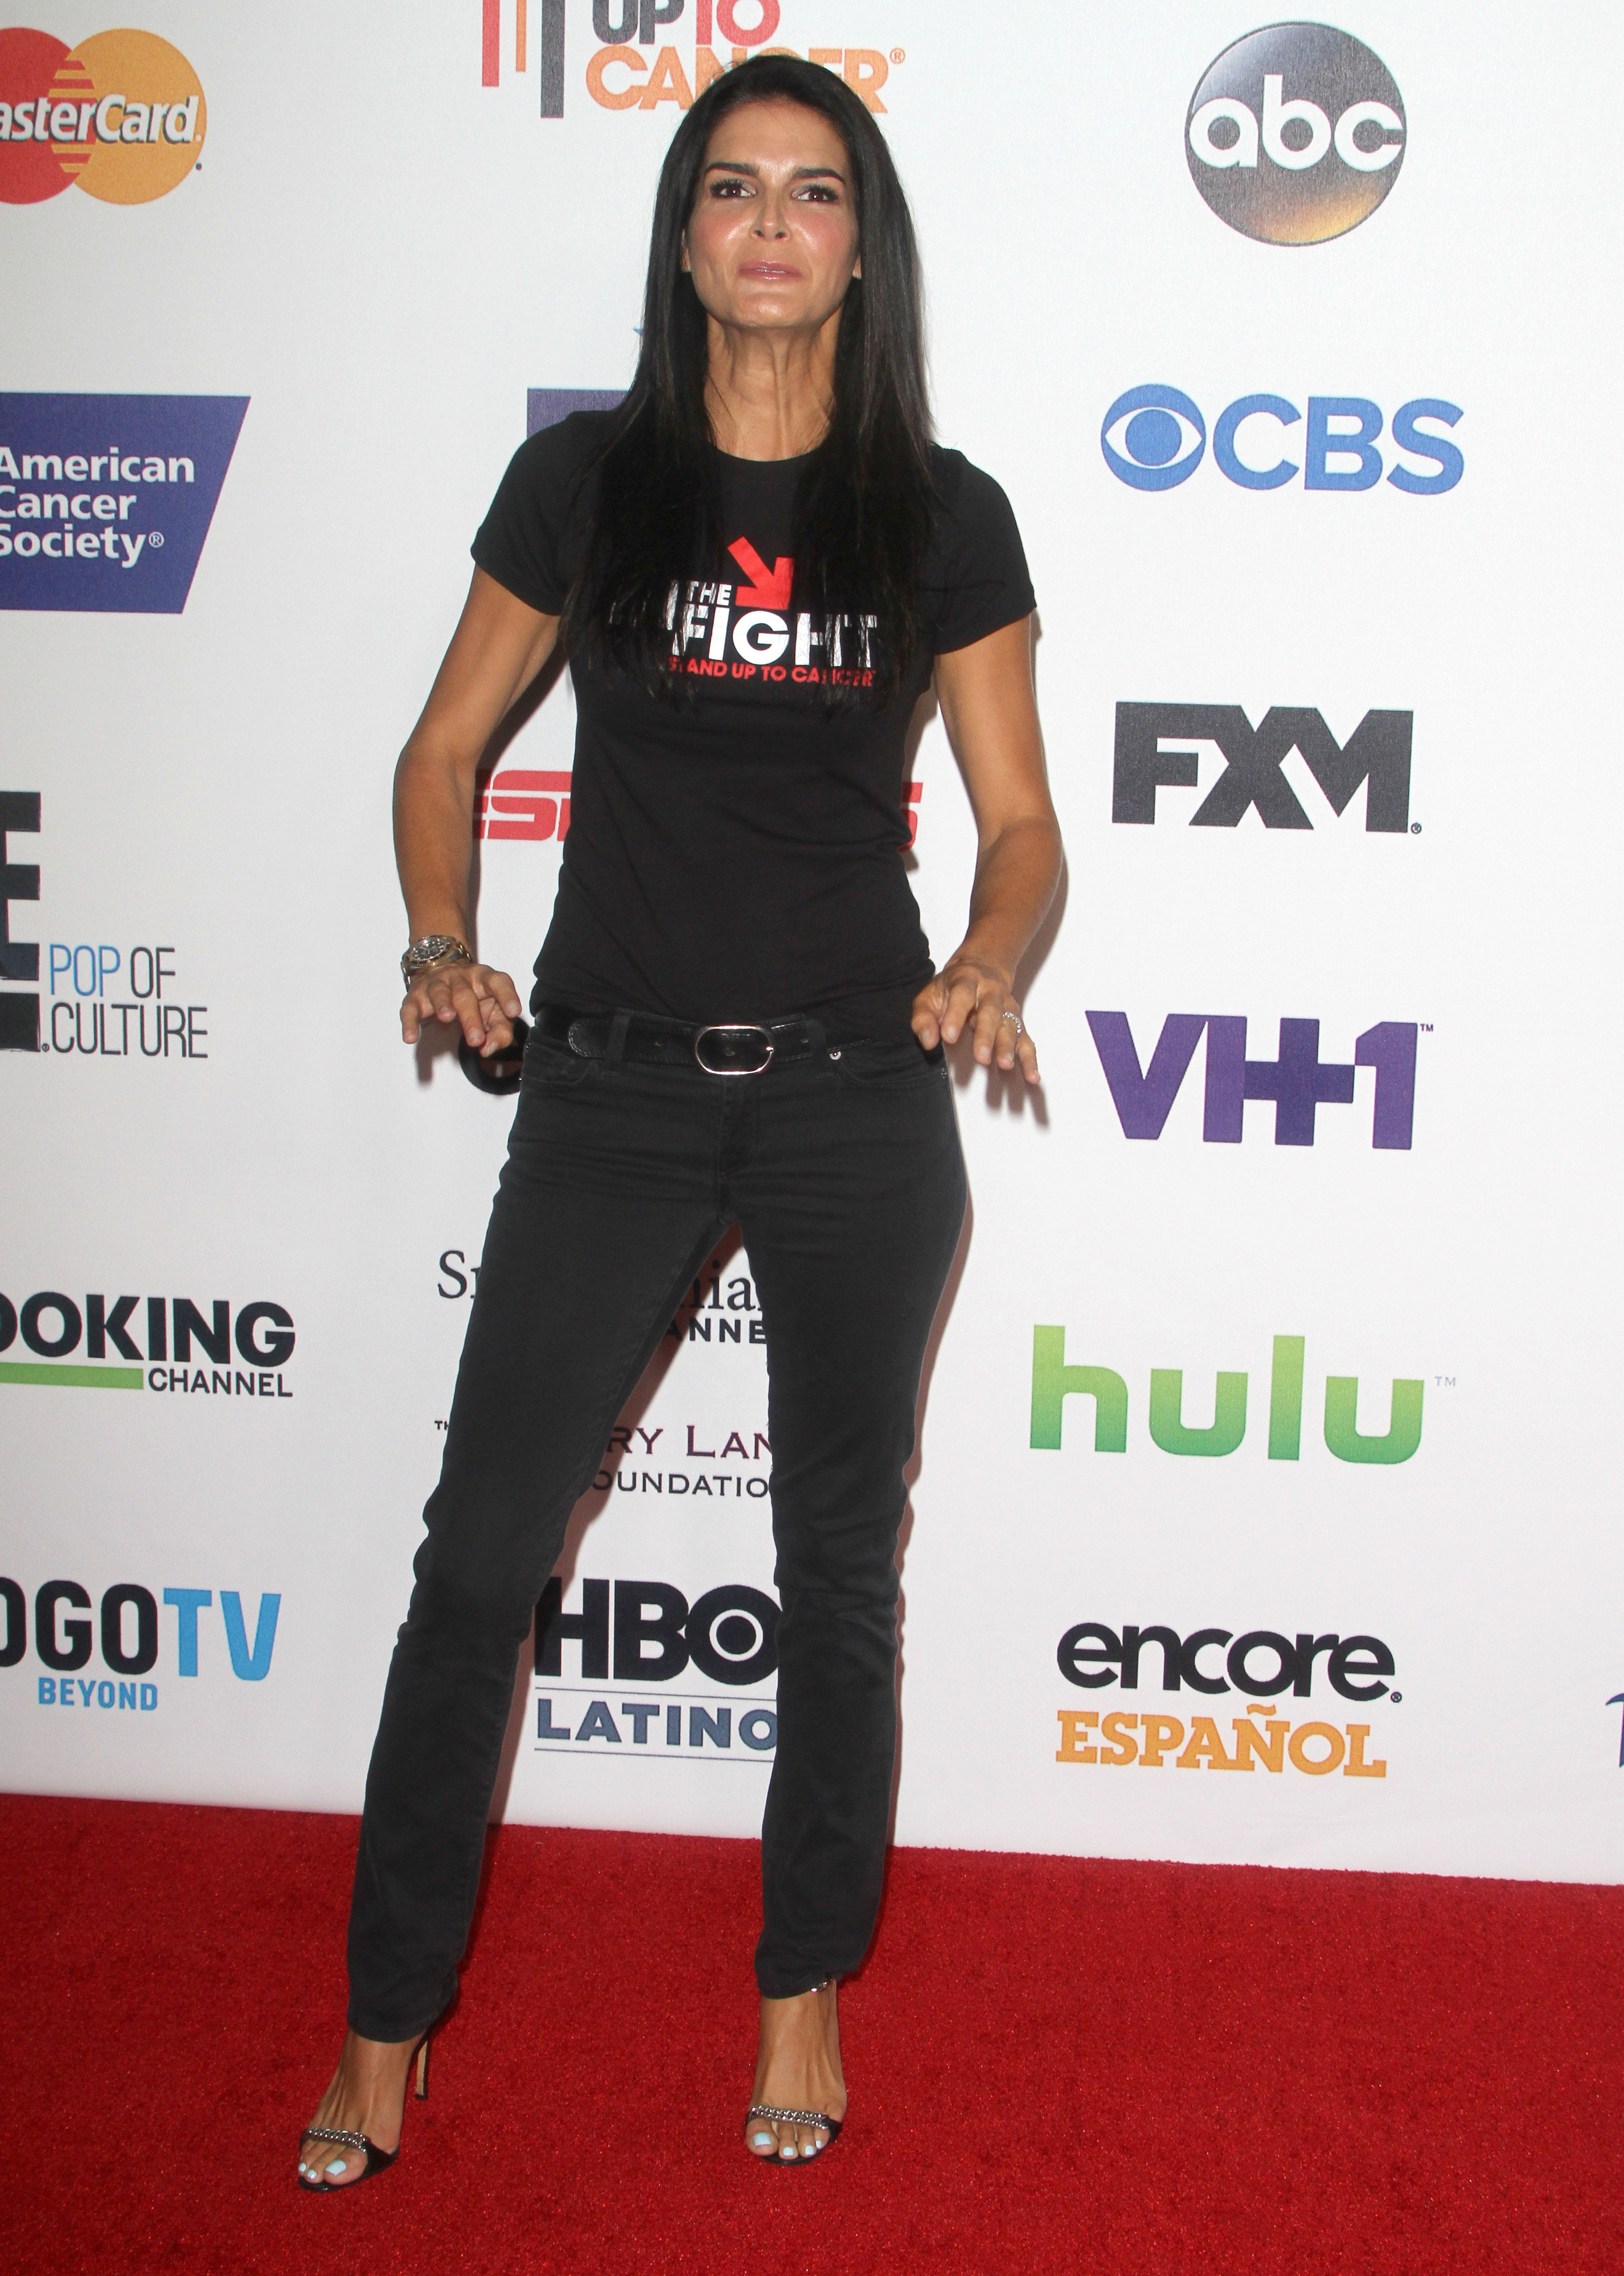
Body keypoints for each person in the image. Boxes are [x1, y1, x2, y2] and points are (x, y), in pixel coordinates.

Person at [297, 51, 1061, 2189]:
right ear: (687, 236)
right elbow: (441, 748)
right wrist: (441, 939)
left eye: (814, 192)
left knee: (836, 1567)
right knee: (479, 1558)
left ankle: (801, 1984)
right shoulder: (587, 486)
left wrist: (989, 962)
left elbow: (1021, 826)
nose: (771, 224)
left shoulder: (944, 514)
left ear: (861, 247)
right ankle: (383, 2022)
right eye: (733, 188)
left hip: (854, 1106)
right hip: (612, 1089)